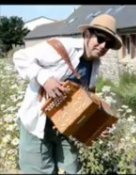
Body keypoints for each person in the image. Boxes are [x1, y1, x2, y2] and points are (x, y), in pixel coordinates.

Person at [13, 14, 122, 174]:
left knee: (73, 170)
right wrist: (45, 79)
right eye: (100, 38)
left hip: (65, 129)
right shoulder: (62, 47)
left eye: (109, 43)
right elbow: (20, 57)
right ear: (87, 34)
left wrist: (98, 127)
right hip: (37, 126)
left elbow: (86, 101)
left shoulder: (95, 64)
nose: (103, 46)